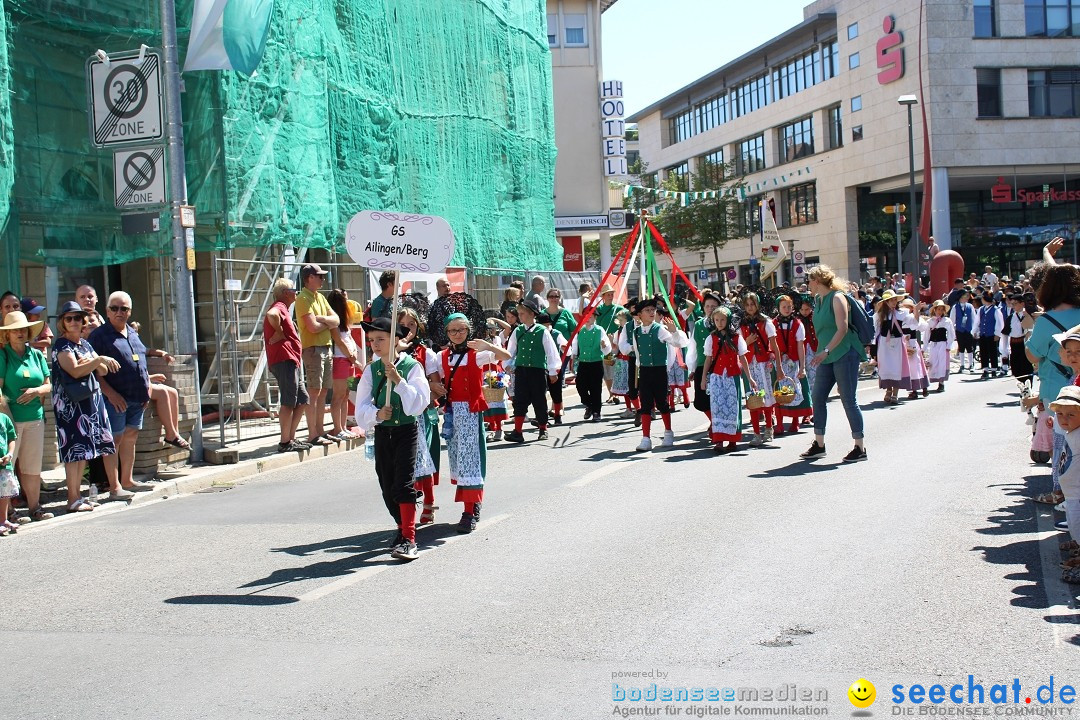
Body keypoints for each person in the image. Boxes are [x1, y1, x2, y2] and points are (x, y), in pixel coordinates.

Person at [354, 317, 430, 561]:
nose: (375, 344)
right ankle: (401, 527)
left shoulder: (412, 367)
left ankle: (409, 539)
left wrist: (398, 381)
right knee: (387, 486)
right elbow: (361, 408)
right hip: (383, 433)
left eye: (381, 339)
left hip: (406, 430)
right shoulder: (371, 370)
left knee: (402, 484)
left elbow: (418, 404)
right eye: (372, 340)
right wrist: (376, 414)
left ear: (396, 340)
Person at [436, 314, 510, 533]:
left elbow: (506, 355)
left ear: (469, 330)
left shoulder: (476, 355)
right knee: (458, 459)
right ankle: (472, 504)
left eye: (461, 330)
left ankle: (470, 511)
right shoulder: (441, 356)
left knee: (471, 460)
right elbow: (434, 378)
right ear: (447, 333)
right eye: (453, 331)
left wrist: (487, 344)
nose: (457, 334)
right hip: (451, 413)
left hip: (470, 412)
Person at [52, 301, 120, 512]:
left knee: (85, 451)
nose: (74, 322)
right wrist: (96, 360)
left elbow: (103, 371)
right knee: (74, 452)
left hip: (89, 402)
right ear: (62, 322)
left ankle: (78, 497)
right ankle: (72, 498)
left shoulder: (85, 344)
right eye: (69, 318)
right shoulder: (61, 345)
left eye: (78, 318)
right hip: (71, 405)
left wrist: (93, 362)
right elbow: (74, 370)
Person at [88, 291, 155, 498]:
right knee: (113, 440)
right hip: (114, 399)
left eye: (124, 309)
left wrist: (148, 389)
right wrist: (110, 393)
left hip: (137, 398)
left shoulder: (133, 333)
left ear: (129, 312)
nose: (119, 312)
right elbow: (92, 370)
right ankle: (114, 487)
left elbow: (141, 361)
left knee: (130, 437)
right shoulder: (98, 336)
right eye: (115, 308)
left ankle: (127, 480)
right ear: (107, 311)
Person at [1026, 264, 1080, 506]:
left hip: (1056, 389)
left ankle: (1062, 494)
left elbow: (1033, 355)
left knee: (1062, 445)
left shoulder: (1047, 320)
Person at [801, 265, 867, 462]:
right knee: (818, 396)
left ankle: (860, 447)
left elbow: (842, 328)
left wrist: (826, 350)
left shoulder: (837, 298)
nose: (808, 284)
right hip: (826, 356)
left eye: (809, 281)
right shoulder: (818, 299)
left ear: (818, 281)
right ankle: (819, 444)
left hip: (844, 353)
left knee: (848, 400)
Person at [0, 311, 53, 522]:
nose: (20, 333)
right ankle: (8, 513)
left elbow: (49, 385)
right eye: (15, 331)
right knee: (7, 465)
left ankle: (34, 508)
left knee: (31, 466)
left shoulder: (37, 355)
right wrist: (6, 417)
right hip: (11, 418)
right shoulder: (3, 356)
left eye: (23, 329)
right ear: (7, 335)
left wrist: (36, 391)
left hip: (35, 417)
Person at [618, 296, 689, 452]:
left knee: (662, 403)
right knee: (646, 405)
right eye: (647, 310)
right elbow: (634, 351)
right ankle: (646, 438)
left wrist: (674, 332)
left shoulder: (660, 329)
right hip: (644, 371)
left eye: (653, 310)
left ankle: (668, 432)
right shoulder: (636, 332)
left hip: (659, 371)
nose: (651, 312)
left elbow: (678, 343)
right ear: (640, 315)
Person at [397, 307, 440, 524]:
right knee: (406, 463)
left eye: (412, 325)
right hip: (398, 414)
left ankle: (429, 502)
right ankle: (409, 505)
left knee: (424, 459)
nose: (408, 329)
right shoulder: (390, 352)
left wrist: (425, 395)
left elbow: (436, 383)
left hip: (421, 413)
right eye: (403, 325)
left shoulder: (425, 353)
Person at [264, 278, 310, 453]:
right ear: (285, 293)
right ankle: (285, 441)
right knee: (289, 401)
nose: (296, 292)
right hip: (284, 360)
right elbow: (272, 315)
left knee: (302, 399)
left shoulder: (285, 308)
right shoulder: (280, 306)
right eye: (294, 289)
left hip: (291, 360)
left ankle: (290, 438)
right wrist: (279, 331)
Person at [504, 297, 560, 443]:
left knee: (539, 399)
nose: (519, 316)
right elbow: (511, 351)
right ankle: (518, 431)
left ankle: (543, 428)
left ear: (531, 314)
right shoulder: (518, 331)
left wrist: (553, 371)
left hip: (538, 371)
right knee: (519, 401)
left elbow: (551, 352)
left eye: (522, 314)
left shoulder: (543, 331)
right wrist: (508, 364)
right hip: (521, 371)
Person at [295, 264, 338, 447]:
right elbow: (312, 327)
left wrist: (323, 320)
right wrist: (326, 322)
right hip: (313, 349)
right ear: (309, 278)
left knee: (323, 392)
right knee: (315, 392)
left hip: (325, 347)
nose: (323, 279)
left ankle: (320, 431)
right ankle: (312, 433)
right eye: (319, 276)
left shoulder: (319, 297)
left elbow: (336, 320)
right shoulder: (302, 298)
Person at [701, 306, 754, 454]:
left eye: (722, 319)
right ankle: (718, 440)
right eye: (716, 320)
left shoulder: (736, 337)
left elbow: (742, 358)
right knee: (717, 408)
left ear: (728, 320)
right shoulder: (711, 338)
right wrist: (703, 378)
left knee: (732, 407)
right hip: (717, 377)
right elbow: (708, 359)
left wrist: (749, 378)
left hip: (732, 376)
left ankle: (732, 439)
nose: (719, 323)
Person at [739, 293, 784, 446]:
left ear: (757, 305)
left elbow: (775, 346)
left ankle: (769, 428)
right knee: (753, 399)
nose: (750, 307)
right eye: (747, 305)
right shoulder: (742, 324)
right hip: (749, 366)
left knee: (766, 397)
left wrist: (779, 367)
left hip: (763, 364)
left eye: (753, 304)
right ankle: (756, 433)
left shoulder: (766, 322)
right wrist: (747, 341)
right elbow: (739, 347)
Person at [1048, 385, 1080, 584]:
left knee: (1078, 524)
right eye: (1060, 413)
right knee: (1075, 527)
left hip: (1078, 492)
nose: (1064, 419)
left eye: (1071, 414)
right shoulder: (1072, 432)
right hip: (1072, 493)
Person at [326, 289, 364, 441]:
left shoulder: (344, 320)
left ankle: (342, 427)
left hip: (348, 361)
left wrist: (353, 356)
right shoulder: (333, 321)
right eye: (345, 299)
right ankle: (338, 428)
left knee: (346, 394)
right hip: (340, 360)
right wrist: (352, 357)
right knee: (338, 395)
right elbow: (339, 341)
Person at [773, 294, 812, 434]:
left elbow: (801, 346)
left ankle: (795, 422)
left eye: (789, 306)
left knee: (794, 391)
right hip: (778, 362)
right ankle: (779, 423)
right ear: (778, 308)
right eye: (784, 306)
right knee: (777, 392)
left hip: (793, 362)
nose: (787, 309)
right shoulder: (773, 324)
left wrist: (802, 366)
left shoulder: (797, 324)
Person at [569, 310, 611, 421]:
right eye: (586, 316)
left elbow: (607, 349)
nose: (588, 318)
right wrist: (572, 358)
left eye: (591, 316)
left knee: (595, 388)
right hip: (583, 363)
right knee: (580, 385)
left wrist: (604, 345)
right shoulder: (580, 331)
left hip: (596, 363)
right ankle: (589, 405)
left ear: (595, 317)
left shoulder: (599, 330)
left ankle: (596, 411)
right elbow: (574, 347)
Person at [542, 288, 576, 424]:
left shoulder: (565, 313)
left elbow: (573, 330)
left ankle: (556, 408)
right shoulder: (542, 314)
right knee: (545, 380)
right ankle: (553, 408)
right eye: (551, 296)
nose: (554, 298)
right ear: (547, 298)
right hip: (545, 352)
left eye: (556, 296)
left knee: (557, 377)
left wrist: (570, 347)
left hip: (562, 350)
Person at [874, 290, 911, 405]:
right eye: (891, 300)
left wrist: (917, 312)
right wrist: (874, 346)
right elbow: (876, 331)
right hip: (884, 343)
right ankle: (888, 389)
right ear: (886, 302)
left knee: (896, 367)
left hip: (897, 342)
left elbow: (913, 323)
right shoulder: (880, 315)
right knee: (886, 367)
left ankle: (895, 393)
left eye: (895, 299)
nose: (894, 302)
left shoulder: (902, 313)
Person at [689, 292, 722, 421]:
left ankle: (717, 425)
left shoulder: (722, 323)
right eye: (707, 306)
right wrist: (693, 368)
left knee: (717, 398)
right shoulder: (698, 325)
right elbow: (693, 347)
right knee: (701, 400)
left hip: (719, 365)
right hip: (702, 365)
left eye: (713, 306)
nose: (710, 309)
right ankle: (713, 421)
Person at [591, 284, 625, 403]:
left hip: (616, 343)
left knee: (616, 368)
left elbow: (629, 315)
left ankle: (616, 393)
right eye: (608, 294)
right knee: (607, 368)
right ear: (603, 296)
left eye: (612, 294)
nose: (611, 296)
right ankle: (612, 393)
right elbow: (586, 314)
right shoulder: (599, 309)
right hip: (604, 343)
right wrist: (586, 299)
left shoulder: (619, 308)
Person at [900, 298, 930, 399]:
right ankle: (916, 389)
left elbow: (920, 325)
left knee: (915, 366)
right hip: (904, 344)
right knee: (911, 367)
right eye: (905, 307)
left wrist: (917, 312)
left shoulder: (913, 317)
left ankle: (919, 388)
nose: (906, 309)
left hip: (912, 343)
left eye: (909, 307)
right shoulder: (901, 318)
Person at [925, 300, 955, 393]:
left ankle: (941, 383)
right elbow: (927, 335)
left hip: (942, 343)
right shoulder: (930, 321)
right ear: (934, 310)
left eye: (942, 310)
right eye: (938, 309)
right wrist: (924, 347)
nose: (940, 311)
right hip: (933, 344)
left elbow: (951, 334)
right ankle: (930, 380)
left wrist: (949, 345)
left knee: (942, 363)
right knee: (933, 362)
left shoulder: (947, 321)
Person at [974, 290, 1004, 378]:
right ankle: (985, 369)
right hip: (983, 334)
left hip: (991, 334)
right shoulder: (981, 309)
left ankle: (994, 369)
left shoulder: (995, 310)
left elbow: (999, 322)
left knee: (993, 351)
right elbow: (977, 321)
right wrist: (975, 331)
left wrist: (997, 333)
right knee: (983, 351)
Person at [1005, 293, 1035, 381]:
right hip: (1014, 343)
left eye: (1015, 304)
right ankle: (1022, 385)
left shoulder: (1029, 315)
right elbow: (1005, 333)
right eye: (1012, 304)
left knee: (1026, 366)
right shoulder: (1010, 318)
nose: (1013, 306)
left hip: (1025, 343)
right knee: (1015, 367)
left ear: (1022, 303)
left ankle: (1028, 385)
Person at [0, 410, 18, 535]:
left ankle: (3, 519)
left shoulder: (4, 418)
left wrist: (10, 454)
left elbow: (12, 438)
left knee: (4, 494)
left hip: (4, 465)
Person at [949, 290, 976, 372]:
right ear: (960, 298)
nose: (966, 298)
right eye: (964, 297)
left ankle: (971, 364)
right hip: (959, 330)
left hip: (969, 330)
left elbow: (974, 319)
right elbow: (952, 320)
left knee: (970, 347)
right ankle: (962, 365)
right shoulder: (955, 307)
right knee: (961, 347)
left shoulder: (970, 306)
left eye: (966, 296)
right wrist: (952, 331)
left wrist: (975, 330)